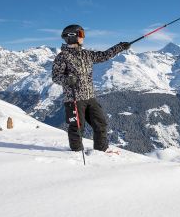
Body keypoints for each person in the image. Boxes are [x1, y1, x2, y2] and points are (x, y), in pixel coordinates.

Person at [52, 24, 130, 152]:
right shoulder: (62, 57)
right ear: (72, 37)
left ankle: (101, 151)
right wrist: (67, 79)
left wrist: (120, 47)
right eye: (81, 34)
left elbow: (104, 55)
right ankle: (76, 153)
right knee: (77, 127)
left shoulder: (86, 54)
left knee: (100, 123)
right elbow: (55, 77)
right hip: (74, 99)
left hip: (90, 97)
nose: (83, 37)